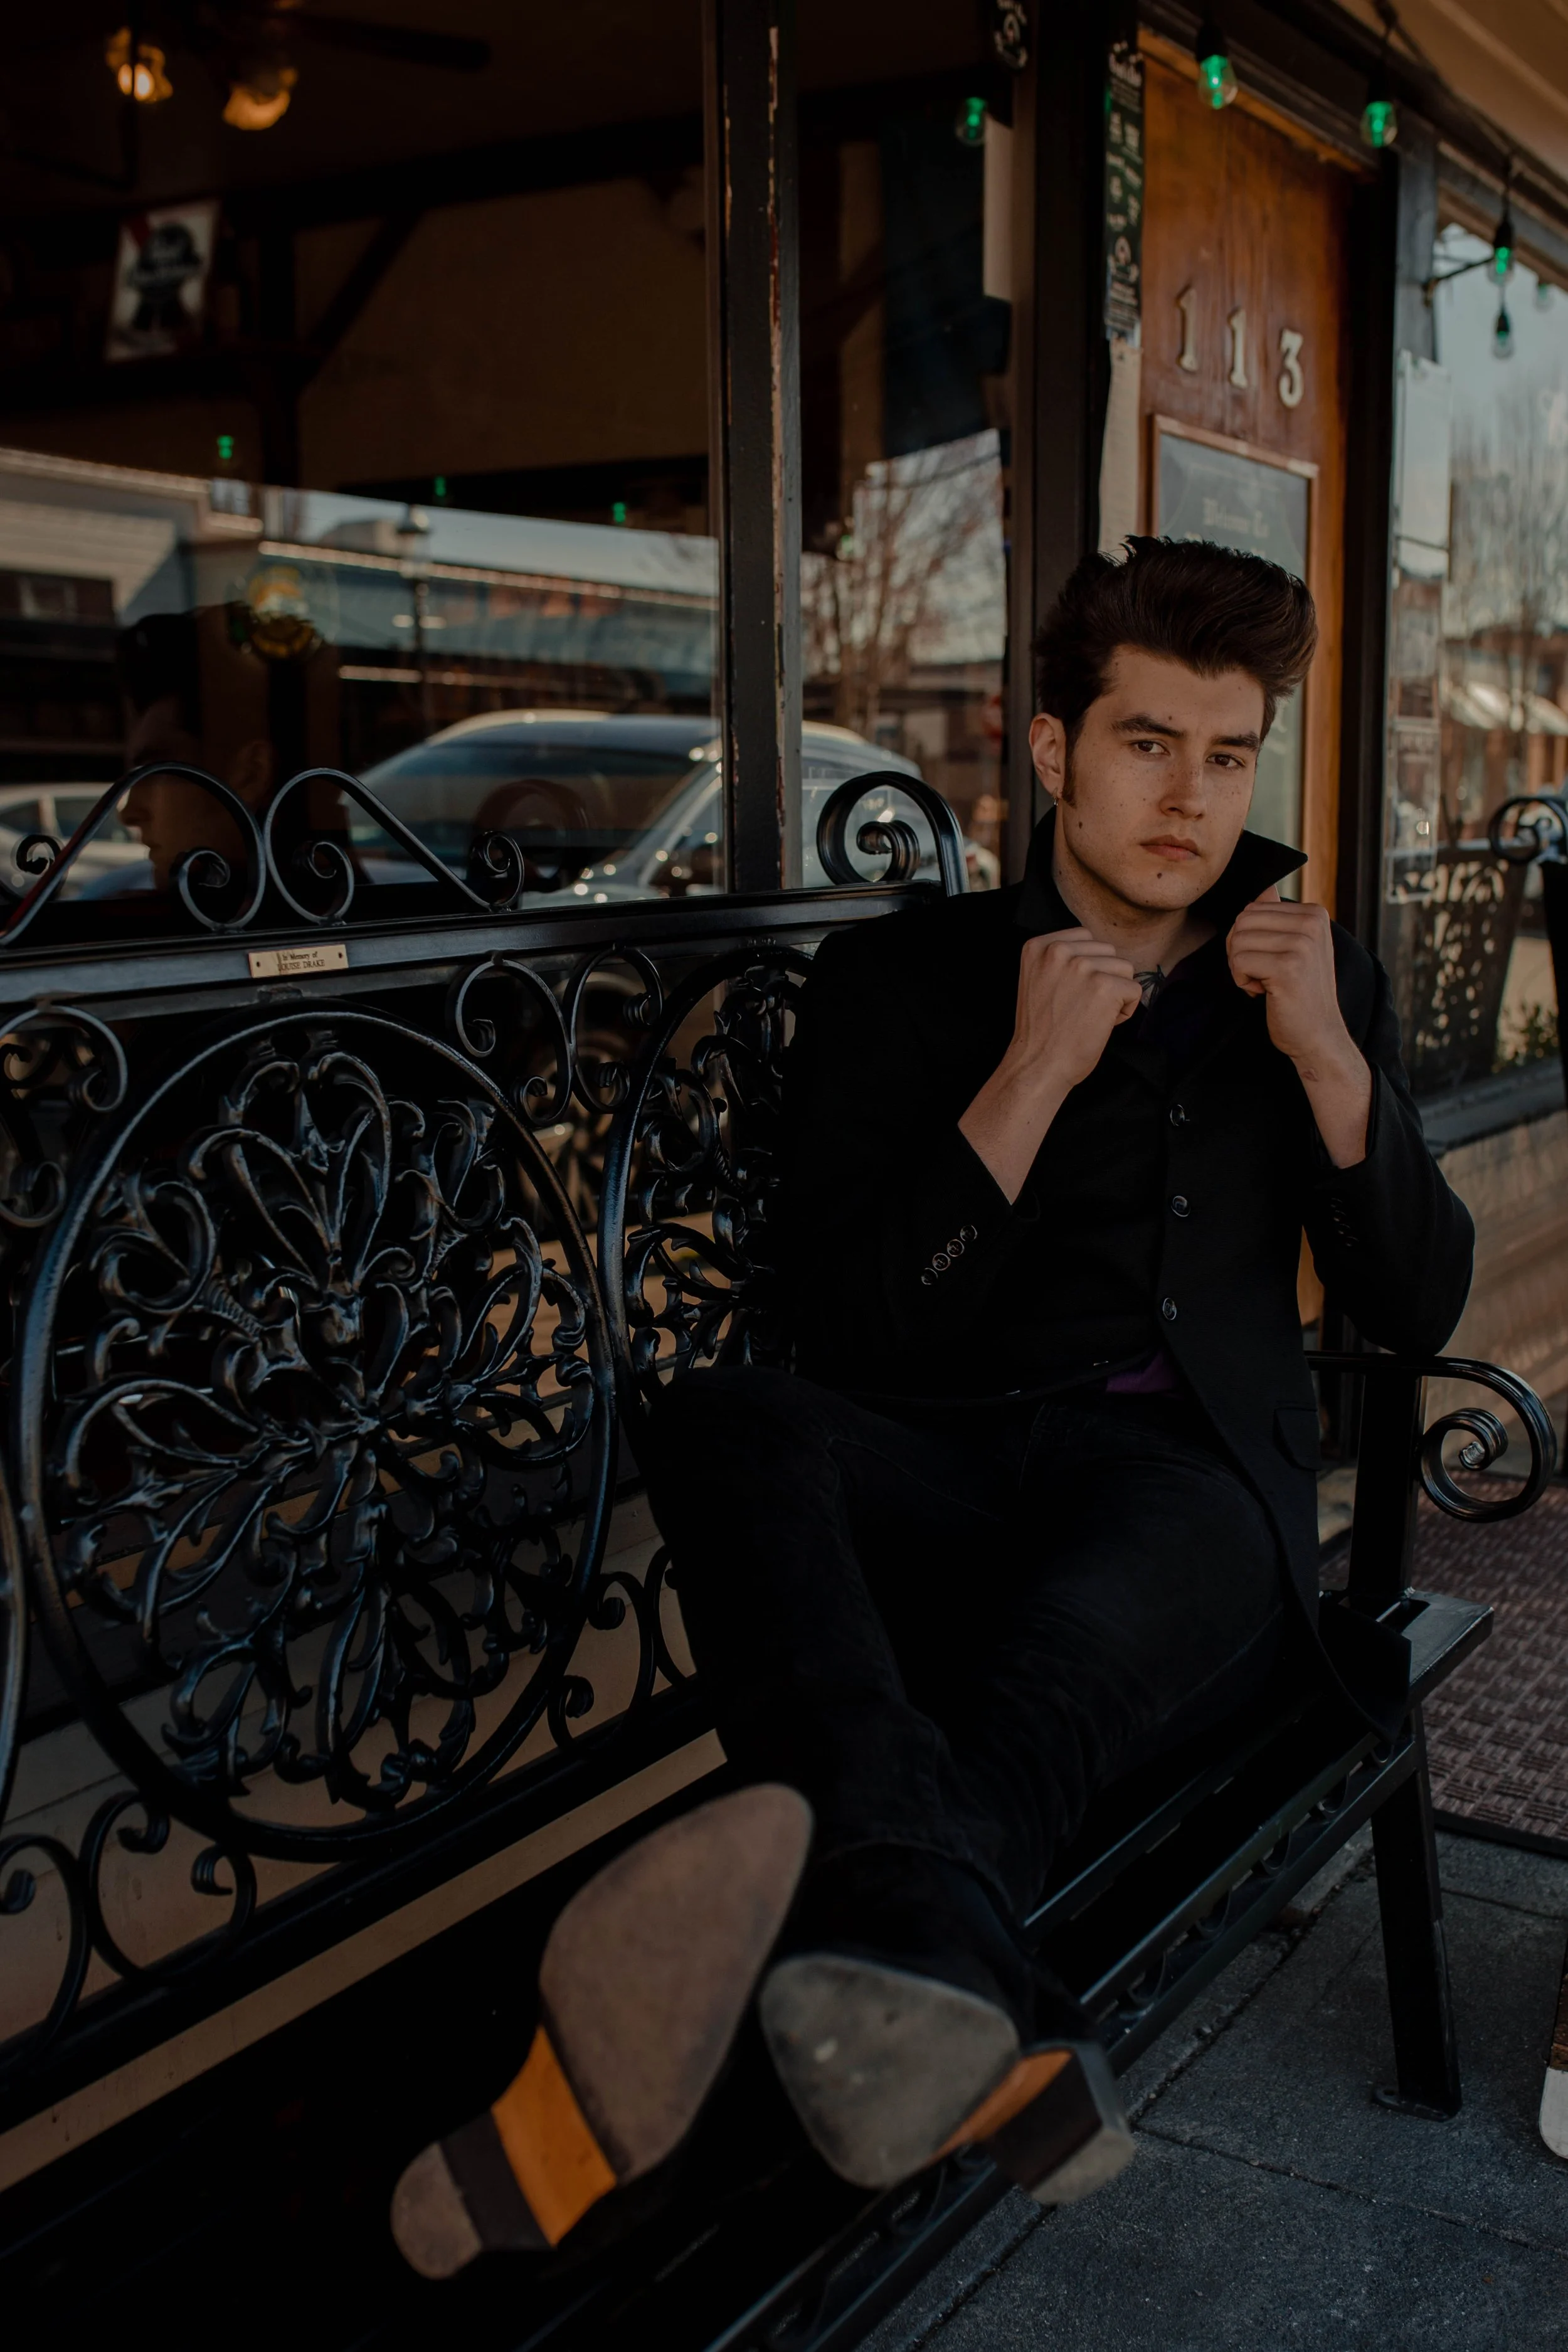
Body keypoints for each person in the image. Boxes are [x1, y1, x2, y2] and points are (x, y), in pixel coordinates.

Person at [389, 536, 1474, 2278]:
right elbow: (851, 1328)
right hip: (948, 1463)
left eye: (1224, 752)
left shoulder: (1304, 980)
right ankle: (982, 2026)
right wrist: (1028, 1076)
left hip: (1193, 1498)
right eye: (1144, 744)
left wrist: (1333, 1068)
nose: (1188, 796)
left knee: (1004, 1728)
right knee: (737, 1420)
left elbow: (1415, 1307)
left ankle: (586, 2127)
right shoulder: (905, 984)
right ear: (1046, 751)